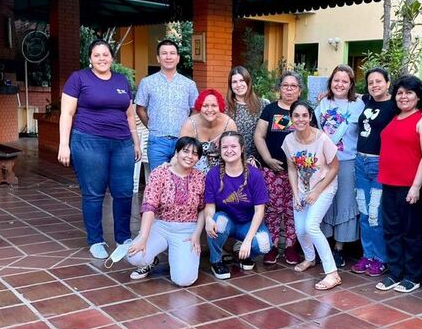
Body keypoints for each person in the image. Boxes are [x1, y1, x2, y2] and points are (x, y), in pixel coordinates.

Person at [58, 39, 141, 259]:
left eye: (106, 54)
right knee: (94, 193)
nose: (102, 59)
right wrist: (64, 144)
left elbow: (130, 114)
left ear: (112, 58)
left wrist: (136, 141)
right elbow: (66, 113)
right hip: (88, 142)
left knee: (123, 192)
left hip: (122, 143)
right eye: (97, 55)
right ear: (90, 59)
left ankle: (123, 237)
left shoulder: (122, 80)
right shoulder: (79, 78)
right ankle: (96, 240)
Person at [375, 75, 422, 293]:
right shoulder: (394, 117)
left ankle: (412, 275)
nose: (403, 96)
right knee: (391, 231)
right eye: (400, 92)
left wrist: (416, 186)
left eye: (409, 92)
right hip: (388, 184)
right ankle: (395, 273)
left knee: (412, 233)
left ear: (418, 96)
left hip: (410, 187)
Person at [126, 137, 205, 285]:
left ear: (198, 158)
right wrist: (143, 237)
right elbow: (149, 206)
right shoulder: (160, 173)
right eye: (185, 151)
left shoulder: (200, 178)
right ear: (176, 152)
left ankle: (178, 258)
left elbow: (203, 209)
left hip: (186, 230)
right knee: (135, 256)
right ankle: (151, 261)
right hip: (161, 226)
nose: (189, 156)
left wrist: (196, 234)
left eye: (194, 154)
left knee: (183, 280)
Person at [283, 101, 341, 290]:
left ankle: (332, 273)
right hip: (301, 188)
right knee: (300, 229)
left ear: (310, 117)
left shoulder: (322, 138)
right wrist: (295, 193)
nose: (300, 119)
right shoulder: (289, 141)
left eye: (304, 115)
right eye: (296, 116)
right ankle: (310, 258)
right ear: (291, 118)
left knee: (311, 226)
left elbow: (334, 167)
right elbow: (291, 169)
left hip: (324, 186)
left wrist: (317, 191)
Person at [315, 64, 364, 267]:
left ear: (351, 84)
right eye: (336, 80)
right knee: (326, 203)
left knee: (345, 204)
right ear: (331, 82)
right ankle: (324, 245)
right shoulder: (322, 104)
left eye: (345, 81)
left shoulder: (359, 104)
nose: (340, 84)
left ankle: (339, 248)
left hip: (347, 161)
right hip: (324, 162)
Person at [205, 131, 271, 280]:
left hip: (247, 223)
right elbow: (210, 205)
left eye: (233, 146)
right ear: (220, 150)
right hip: (227, 219)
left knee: (264, 244)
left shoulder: (254, 174)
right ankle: (216, 261)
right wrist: (208, 219)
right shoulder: (213, 174)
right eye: (224, 147)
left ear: (241, 149)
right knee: (217, 222)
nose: (229, 150)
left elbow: (259, 210)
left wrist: (247, 242)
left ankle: (244, 255)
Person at [254, 71, 303, 266]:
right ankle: (273, 246)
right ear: (279, 89)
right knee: (272, 209)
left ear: (299, 91)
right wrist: (267, 158)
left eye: (293, 86)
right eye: (285, 85)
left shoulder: (303, 110)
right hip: (271, 170)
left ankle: (291, 246)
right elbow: (259, 135)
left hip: (299, 172)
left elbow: (313, 136)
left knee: (293, 209)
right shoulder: (270, 110)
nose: (289, 89)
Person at [352, 67, 395, 277]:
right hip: (360, 162)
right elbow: (355, 95)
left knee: (375, 214)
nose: (375, 85)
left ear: (388, 82)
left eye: (379, 81)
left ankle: (380, 258)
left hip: (380, 164)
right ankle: (367, 255)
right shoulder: (366, 101)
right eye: (371, 82)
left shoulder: (395, 104)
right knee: (364, 211)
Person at [135, 39, 198, 171]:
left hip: (183, 142)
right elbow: (140, 108)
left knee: (181, 181)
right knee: (158, 182)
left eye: (172, 53)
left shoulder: (189, 84)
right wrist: (151, 126)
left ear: (178, 58)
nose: (168, 57)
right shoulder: (147, 82)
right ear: (158, 58)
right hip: (157, 141)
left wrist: (186, 130)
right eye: (164, 53)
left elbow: (195, 110)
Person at [179, 89, 237, 174]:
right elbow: (179, 153)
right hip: (193, 172)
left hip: (222, 172)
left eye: (214, 105)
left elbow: (236, 151)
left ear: (219, 106)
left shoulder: (229, 124)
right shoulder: (190, 124)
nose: (209, 110)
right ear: (200, 107)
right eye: (205, 106)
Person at [226, 66, 269, 161]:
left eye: (242, 80)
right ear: (230, 85)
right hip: (233, 159)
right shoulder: (225, 107)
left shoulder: (263, 104)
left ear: (248, 82)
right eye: (234, 82)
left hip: (259, 160)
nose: (238, 85)